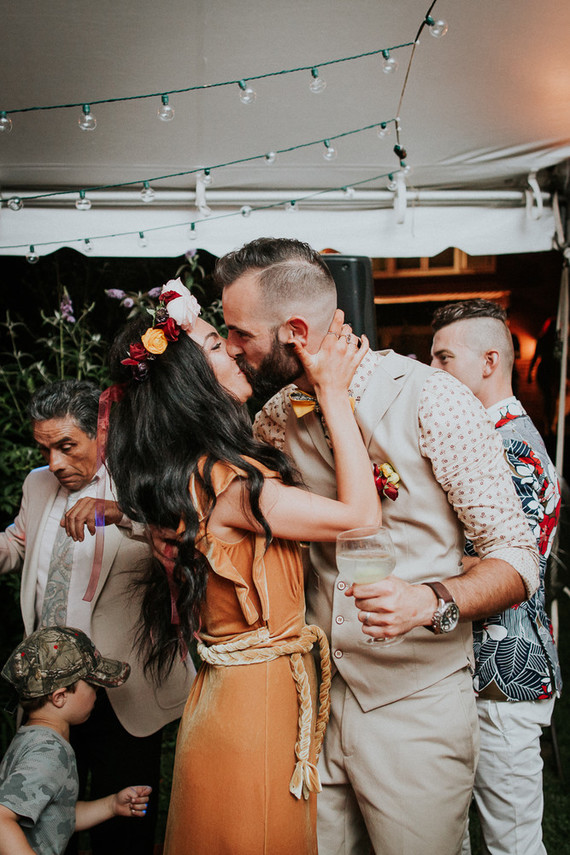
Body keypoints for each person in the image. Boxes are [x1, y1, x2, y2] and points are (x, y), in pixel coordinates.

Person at [213, 237, 541, 855]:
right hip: (311, 706)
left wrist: (431, 599)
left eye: (239, 334)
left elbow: (518, 559)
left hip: (415, 708)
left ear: (296, 331)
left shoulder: (437, 400)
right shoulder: (275, 419)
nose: (232, 348)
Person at [105, 278, 382, 855]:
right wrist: (332, 393)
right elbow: (360, 515)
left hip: (229, 692)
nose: (231, 349)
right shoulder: (228, 484)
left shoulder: (188, 474)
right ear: (187, 384)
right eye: (213, 345)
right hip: (254, 700)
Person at [0, 379, 194, 855]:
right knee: (42, 815)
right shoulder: (37, 483)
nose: (55, 463)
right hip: (52, 690)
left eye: (67, 446)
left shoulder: (141, 478)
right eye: (45, 449)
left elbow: (185, 534)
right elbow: (18, 544)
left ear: (101, 432)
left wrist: (118, 511)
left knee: (122, 827)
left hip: (120, 684)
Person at [431, 298, 561, 855]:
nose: (433, 374)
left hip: (505, 678)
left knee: (513, 845)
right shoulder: (480, 436)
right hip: (469, 671)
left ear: (489, 362)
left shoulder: (511, 444)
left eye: (443, 359)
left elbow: (514, 567)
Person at [0, 625, 151, 855]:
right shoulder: (48, 753)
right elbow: (2, 820)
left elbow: (57, 816)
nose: (98, 692)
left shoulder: (30, 737)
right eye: (91, 684)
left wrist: (111, 805)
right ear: (60, 697)